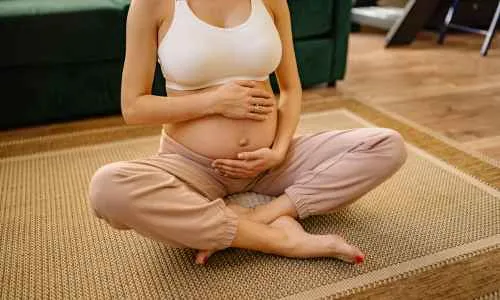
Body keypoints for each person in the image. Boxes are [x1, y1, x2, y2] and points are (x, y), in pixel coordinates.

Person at [88, 0, 407, 265]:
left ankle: (263, 212)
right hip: (193, 168)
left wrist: (279, 150)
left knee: (387, 145)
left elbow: (291, 89)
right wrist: (214, 102)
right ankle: (278, 239)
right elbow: (134, 107)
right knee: (107, 188)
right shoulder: (153, 4)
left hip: (271, 162)